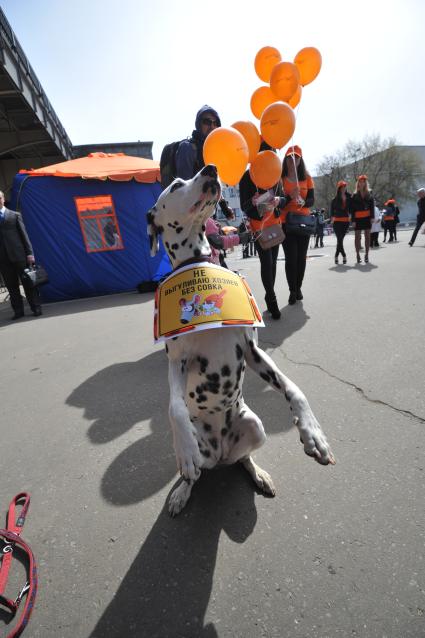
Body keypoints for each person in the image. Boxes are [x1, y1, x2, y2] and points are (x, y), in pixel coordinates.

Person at [174, 105, 244, 260]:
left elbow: (215, 184)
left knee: (216, 264)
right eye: (207, 121)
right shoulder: (188, 148)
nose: (212, 126)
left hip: (207, 216)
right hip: (191, 222)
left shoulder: (215, 152)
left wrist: (225, 207)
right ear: (199, 124)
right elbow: (183, 188)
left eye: (216, 123)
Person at [239, 142, 287, 319]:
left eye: (272, 152)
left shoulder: (276, 174)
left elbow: (284, 199)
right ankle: (272, 299)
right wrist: (253, 202)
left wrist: (277, 200)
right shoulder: (247, 176)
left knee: (273, 263)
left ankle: (269, 294)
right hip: (258, 227)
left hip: (275, 224)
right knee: (266, 263)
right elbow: (244, 206)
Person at [280, 145, 315, 305]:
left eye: (297, 157)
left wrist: (304, 202)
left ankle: (298, 287)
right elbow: (278, 201)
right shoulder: (280, 178)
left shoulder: (307, 177)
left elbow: (312, 200)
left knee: (301, 258)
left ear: (301, 160)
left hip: (304, 222)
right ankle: (292, 290)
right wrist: (289, 196)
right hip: (287, 222)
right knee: (291, 258)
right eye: (290, 157)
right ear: (286, 159)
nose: (293, 160)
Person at [0, 190, 42, 319]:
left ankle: (36, 308)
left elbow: (24, 236)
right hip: (3, 259)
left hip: (20, 256)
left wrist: (30, 253)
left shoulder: (14, 215)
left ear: (3, 198)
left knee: (28, 283)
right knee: (12, 287)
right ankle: (18, 311)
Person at [350, 175, 375, 264]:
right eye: (360, 182)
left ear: (365, 183)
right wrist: (353, 220)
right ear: (358, 183)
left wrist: (372, 217)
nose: (362, 183)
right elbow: (352, 209)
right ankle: (357, 255)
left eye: (363, 182)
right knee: (357, 237)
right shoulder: (354, 195)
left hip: (367, 218)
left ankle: (367, 255)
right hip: (357, 218)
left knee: (368, 237)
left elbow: (372, 206)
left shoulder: (369, 193)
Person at [330, 180, 351, 264]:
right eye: (342, 187)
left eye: (344, 187)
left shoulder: (349, 197)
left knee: (340, 240)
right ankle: (344, 255)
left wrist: (351, 215)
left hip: (346, 222)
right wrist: (332, 217)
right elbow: (331, 210)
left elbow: (352, 207)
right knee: (339, 239)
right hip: (337, 222)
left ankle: (336, 256)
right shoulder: (334, 199)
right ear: (339, 188)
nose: (343, 188)